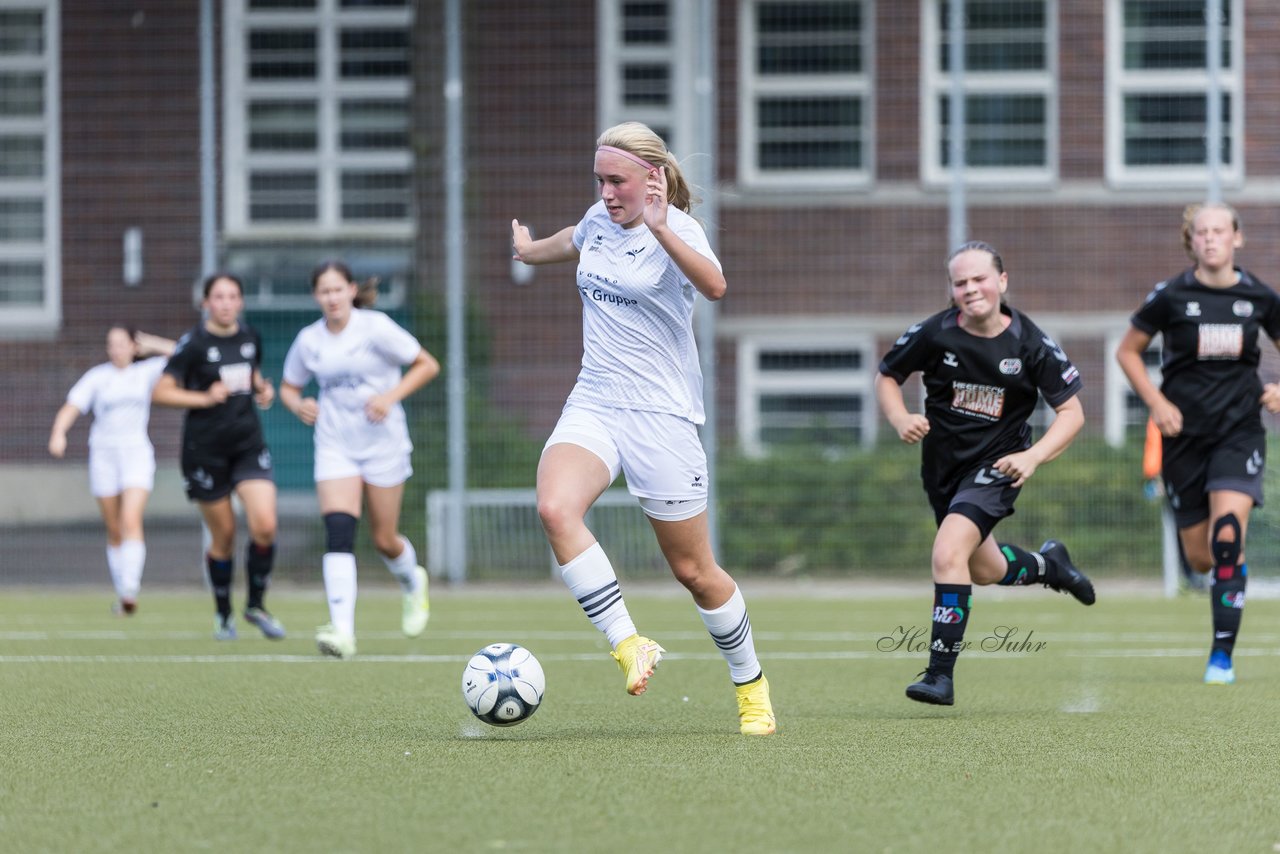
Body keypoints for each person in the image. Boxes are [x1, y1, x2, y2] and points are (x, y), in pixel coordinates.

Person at [510, 121, 775, 736]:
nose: (606, 192)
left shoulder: (678, 230)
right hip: (596, 401)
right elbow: (574, 241)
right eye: (600, 180)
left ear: (651, 178)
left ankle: (751, 684)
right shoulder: (598, 219)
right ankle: (629, 643)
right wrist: (528, 250)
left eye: (617, 181)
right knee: (555, 508)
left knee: (694, 572)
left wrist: (659, 227)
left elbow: (715, 286)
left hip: (662, 417)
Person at [876, 240, 1095, 707]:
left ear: (1002, 281)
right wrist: (899, 419)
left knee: (946, 553)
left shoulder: (1030, 343)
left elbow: (1072, 413)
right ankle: (1050, 566)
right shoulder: (934, 333)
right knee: (985, 569)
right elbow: (888, 376)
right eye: (960, 282)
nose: (970, 289)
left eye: (979, 279)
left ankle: (939, 675)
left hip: (996, 467)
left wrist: (1032, 457)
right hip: (941, 472)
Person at [1116, 202, 1280, 684]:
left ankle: (1221, 657)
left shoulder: (1259, 297)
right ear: (1191, 242)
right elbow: (1126, 351)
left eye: (1219, 231)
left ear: (1237, 238)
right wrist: (1155, 401)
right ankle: (1215, 591)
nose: (1211, 239)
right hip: (1183, 438)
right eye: (1201, 233)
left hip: (1239, 431)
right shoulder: (1171, 296)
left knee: (1228, 537)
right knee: (1202, 557)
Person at [279, 261, 440, 659]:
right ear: (316, 296)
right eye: (324, 291)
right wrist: (299, 404)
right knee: (338, 531)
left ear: (351, 290)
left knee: (384, 539)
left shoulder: (376, 327)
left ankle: (411, 583)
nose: (332, 298)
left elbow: (427, 364)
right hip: (335, 445)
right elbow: (288, 387)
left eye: (338, 289)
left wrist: (389, 397)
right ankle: (342, 632)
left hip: (383, 444)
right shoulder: (309, 340)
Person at [151, 272, 286, 642]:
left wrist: (263, 390)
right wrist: (203, 398)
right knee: (224, 535)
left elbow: (252, 374)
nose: (226, 303)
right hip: (204, 453)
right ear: (206, 303)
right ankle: (224, 615)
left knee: (265, 525)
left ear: (240, 302)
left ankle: (256, 605)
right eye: (219, 297)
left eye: (232, 296)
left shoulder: (249, 336)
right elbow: (161, 393)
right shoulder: (193, 344)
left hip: (247, 445)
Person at [48, 325, 176, 614]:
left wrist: (153, 342)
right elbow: (72, 406)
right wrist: (59, 432)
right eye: (111, 344)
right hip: (104, 456)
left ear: (133, 346)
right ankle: (122, 591)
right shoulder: (98, 377)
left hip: (136, 454)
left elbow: (186, 351)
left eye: (122, 343)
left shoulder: (146, 372)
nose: (116, 349)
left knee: (131, 519)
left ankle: (130, 589)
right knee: (115, 527)